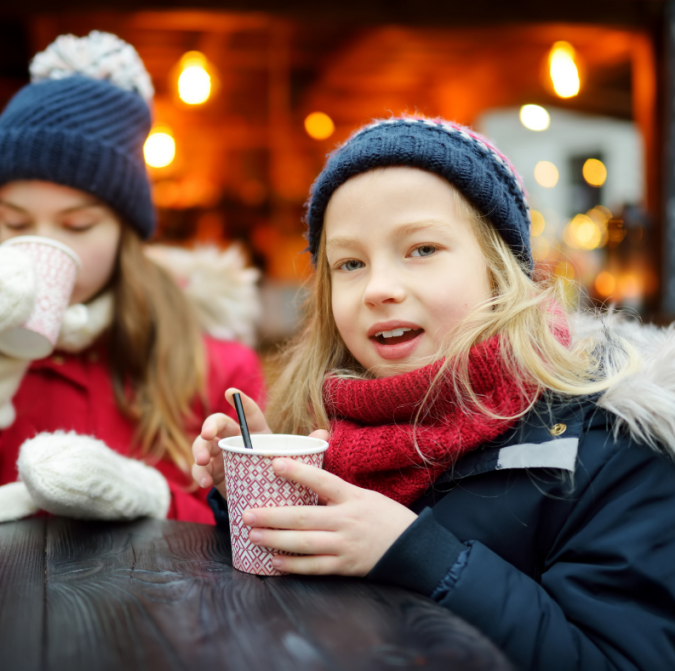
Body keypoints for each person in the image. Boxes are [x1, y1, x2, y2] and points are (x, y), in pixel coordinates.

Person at [192, 116, 675, 669]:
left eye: (421, 249)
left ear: (499, 270)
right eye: (350, 263)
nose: (379, 289)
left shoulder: (614, 450)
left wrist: (418, 554)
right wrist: (256, 502)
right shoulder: (322, 429)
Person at [0, 32, 264, 525]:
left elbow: (264, 535)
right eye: (16, 224)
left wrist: (152, 499)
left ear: (126, 231)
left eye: (77, 225)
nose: (43, 246)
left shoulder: (215, 367)